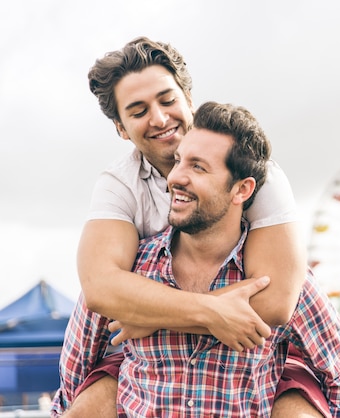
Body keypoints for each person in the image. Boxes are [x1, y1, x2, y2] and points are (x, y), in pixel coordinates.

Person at [51, 37, 323, 417]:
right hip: (148, 357)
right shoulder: (119, 185)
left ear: (188, 98)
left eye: (167, 100)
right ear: (121, 129)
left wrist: (148, 315)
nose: (160, 118)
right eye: (138, 110)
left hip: (260, 351)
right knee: (89, 406)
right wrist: (210, 312)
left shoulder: (257, 175)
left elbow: (277, 301)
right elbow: (100, 287)